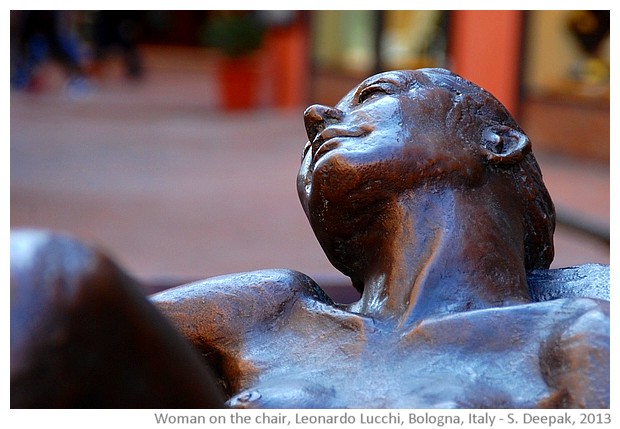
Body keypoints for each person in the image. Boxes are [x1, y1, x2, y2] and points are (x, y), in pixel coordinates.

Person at [11, 69, 609, 408]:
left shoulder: (575, 327)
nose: (316, 115)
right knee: (45, 278)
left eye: (374, 96)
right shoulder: (271, 311)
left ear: (497, 143)